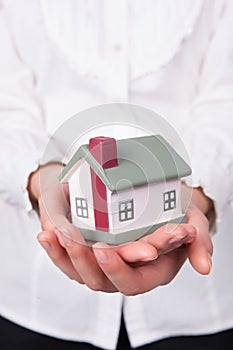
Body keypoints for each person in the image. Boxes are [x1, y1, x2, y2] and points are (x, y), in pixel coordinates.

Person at [0, 1, 233, 349]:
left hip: (202, 305)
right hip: (35, 298)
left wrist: (194, 195)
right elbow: (8, 103)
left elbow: (224, 100)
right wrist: (41, 178)